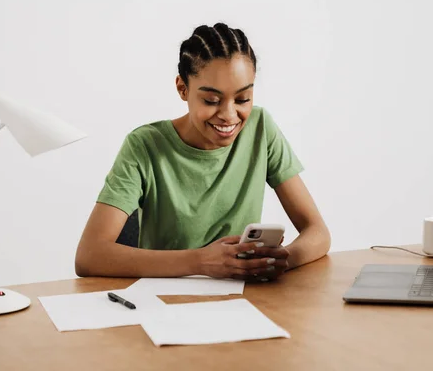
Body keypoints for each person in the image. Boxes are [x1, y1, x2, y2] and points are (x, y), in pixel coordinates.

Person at [75, 22, 330, 281]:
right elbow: (89, 255)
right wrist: (201, 261)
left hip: (241, 301)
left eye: (243, 99)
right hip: (164, 303)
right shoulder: (144, 146)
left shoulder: (260, 128)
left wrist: (280, 261)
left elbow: (318, 232)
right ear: (182, 89)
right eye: (211, 100)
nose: (229, 115)